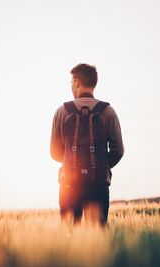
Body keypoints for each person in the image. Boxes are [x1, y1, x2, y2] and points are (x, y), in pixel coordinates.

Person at [50, 63, 124, 226]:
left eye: (71, 82)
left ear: (76, 82)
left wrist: (72, 160)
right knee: (97, 236)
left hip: (69, 184)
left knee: (69, 237)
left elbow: (54, 152)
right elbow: (118, 150)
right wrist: (100, 165)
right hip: (98, 185)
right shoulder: (108, 112)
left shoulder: (62, 111)